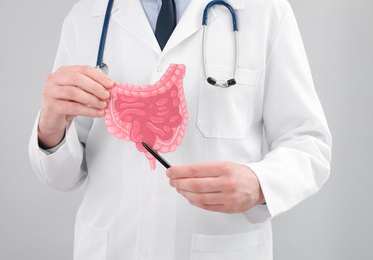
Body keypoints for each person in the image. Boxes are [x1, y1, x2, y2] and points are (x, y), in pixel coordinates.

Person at [28, 0, 332, 259]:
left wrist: (260, 184)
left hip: (219, 246)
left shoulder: (264, 10)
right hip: (112, 246)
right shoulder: (87, 16)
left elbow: (308, 142)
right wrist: (51, 127)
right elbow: (62, 177)